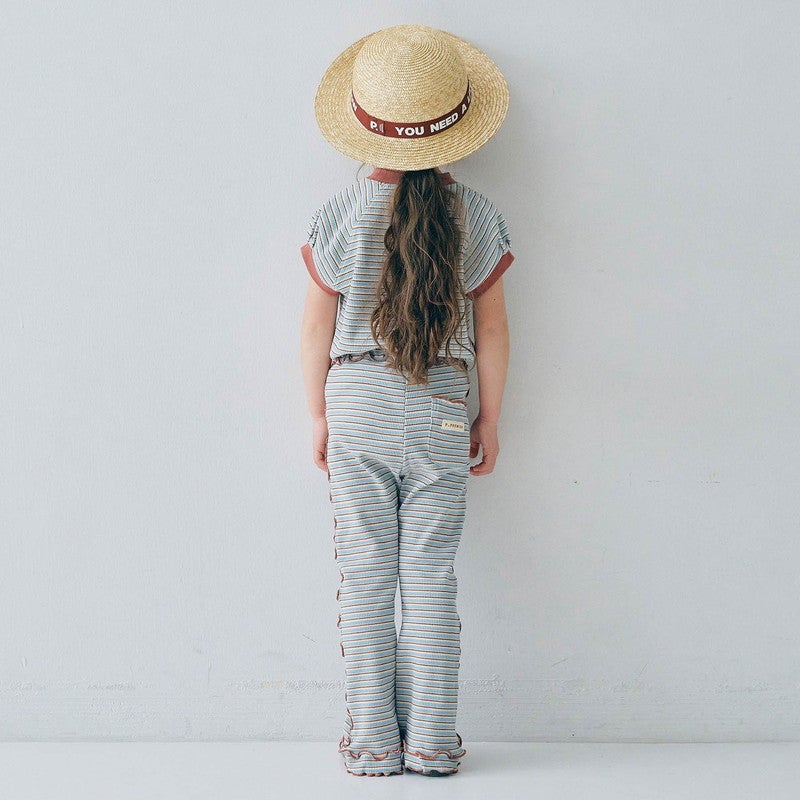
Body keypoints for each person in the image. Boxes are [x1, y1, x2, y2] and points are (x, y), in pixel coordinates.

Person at [299, 24, 514, 777]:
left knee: (366, 578)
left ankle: (371, 743)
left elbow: (316, 328)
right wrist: (489, 417)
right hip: (442, 407)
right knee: (429, 578)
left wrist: (319, 415)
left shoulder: (338, 215)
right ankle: (432, 741)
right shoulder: (478, 216)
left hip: (356, 401)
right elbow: (492, 330)